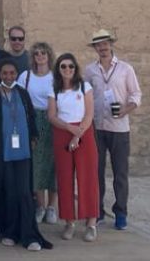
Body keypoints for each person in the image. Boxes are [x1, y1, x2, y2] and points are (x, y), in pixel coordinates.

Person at [0, 59, 49, 251]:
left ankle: (29, 234)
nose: (8, 76)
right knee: (9, 192)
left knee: (25, 193)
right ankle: (9, 231)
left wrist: (33, 136)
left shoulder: (23, 94)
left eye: (12, 73)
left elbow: (30, 117)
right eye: (5, 73)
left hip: (23, 152)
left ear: (17, 74)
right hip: (3, 153)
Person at [85, 29, 142, 231]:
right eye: (98, 44)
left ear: (111, 44)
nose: (102, 47)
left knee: (120, 173)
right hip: (97, 128)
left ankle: (120, 213)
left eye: (105, 43)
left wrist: (124, 111)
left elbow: (136, 95)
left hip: (119, 128)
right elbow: (85, 96)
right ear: (94, 48)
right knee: (96, 172)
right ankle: (97, 211)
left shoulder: (126, 69)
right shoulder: (90, 71)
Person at [48, 52, 99, 242]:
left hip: (84, 132)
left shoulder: (85, 87)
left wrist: (77, 134)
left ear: (75, 68)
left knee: (88, 178)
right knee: (65, 178)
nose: (67, 70)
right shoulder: (53, 90)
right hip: (63, 132)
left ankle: (91, 224)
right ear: (58, 69)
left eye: (71, 66)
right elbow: (52, 116)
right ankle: (69, 222)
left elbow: (89, 114)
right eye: (63, 66)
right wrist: (70, 129)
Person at [18, 41, 58, 223]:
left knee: (53, 165)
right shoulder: (26, 76)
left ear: (49, 55)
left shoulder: (56, 77)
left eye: (44, 53)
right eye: (37, 53)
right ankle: (40, 205)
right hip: (32, 121)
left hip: (53, 121)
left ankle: (52, 207)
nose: (40, 56)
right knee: (37, 166)